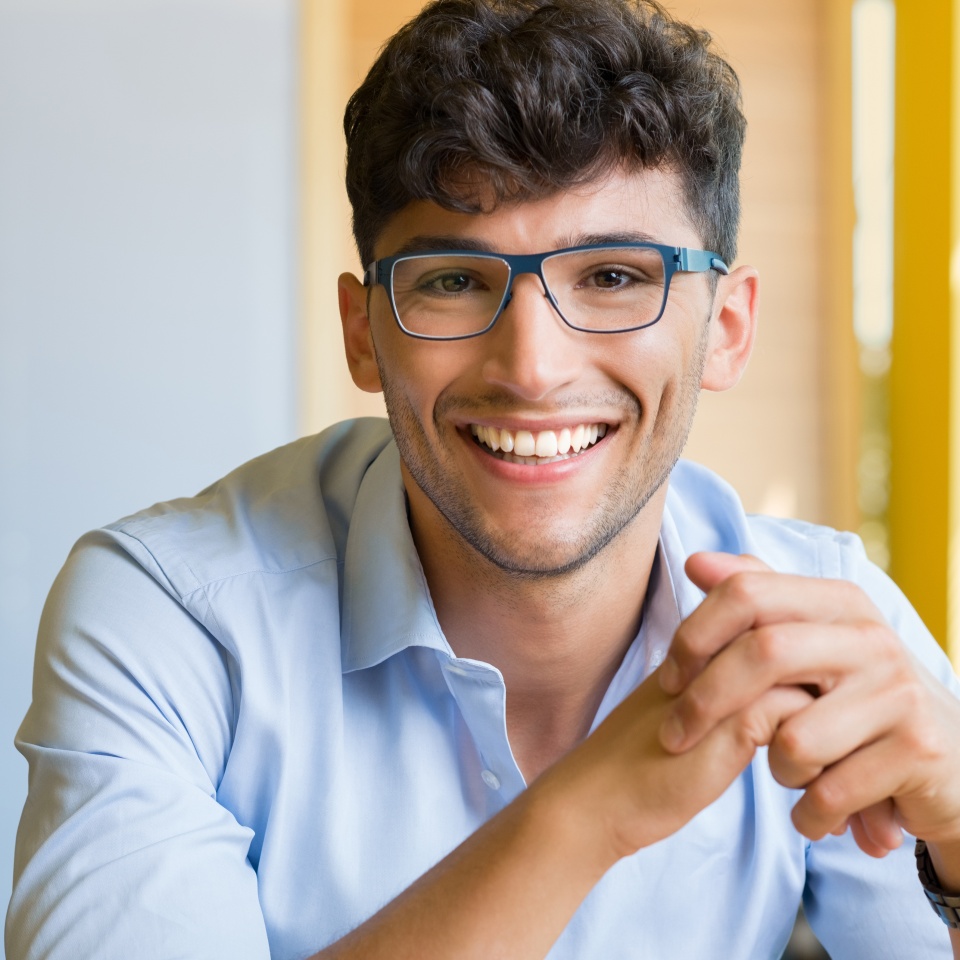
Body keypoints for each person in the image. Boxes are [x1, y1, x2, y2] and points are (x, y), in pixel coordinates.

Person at [7, 0, 960, 957]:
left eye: (616, 277)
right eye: (454, 280)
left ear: (728, 327)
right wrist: (587, 814)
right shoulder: (171, 613)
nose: (535, 369)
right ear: (361, 332)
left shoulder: (832, 621)